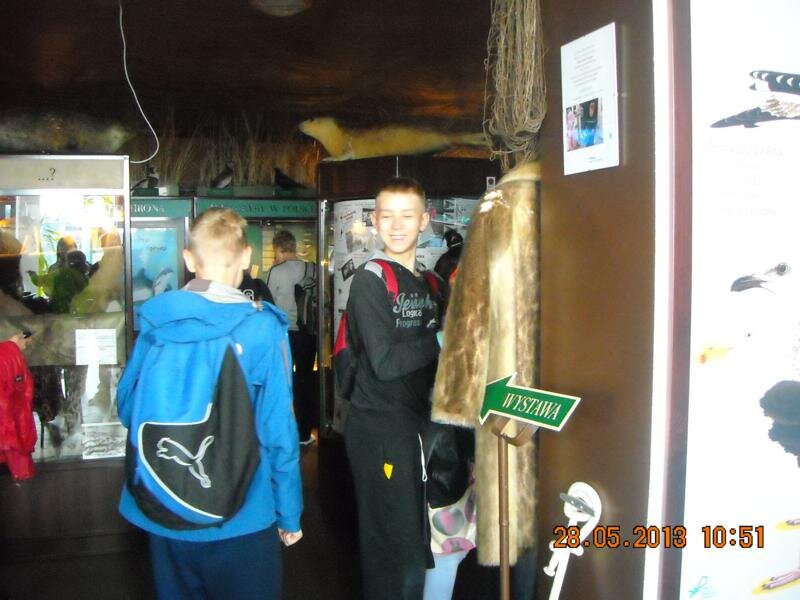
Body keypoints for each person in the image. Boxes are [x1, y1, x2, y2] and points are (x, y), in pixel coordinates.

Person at [117, 208, 303, 600]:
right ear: (247, 257)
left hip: (164, 509)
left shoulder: (155, 322)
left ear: (188, 259)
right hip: (244, 515)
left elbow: (127, 407)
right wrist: (288, 511)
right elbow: (278, 429)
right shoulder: (261, 327)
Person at [344, 177, 444, 600]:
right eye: (387, 216)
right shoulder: (369, 280)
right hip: (379, 431)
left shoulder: (431, 283)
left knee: (413, 544)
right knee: (391, 548)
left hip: (417, 428)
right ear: (375, 220)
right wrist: (442, 340)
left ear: (425, 220)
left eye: (408, 215)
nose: (397, 225)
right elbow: (384, 364)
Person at [265, 229, 317, 446]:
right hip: (309, 332)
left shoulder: (276, 271)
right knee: (306, 380)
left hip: (285, 333)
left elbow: (267, 304)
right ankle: (304, 433)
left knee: (284, 381)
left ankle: (283, 432)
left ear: (278, 249)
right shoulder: (312, 268)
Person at [0, 331, 36, 482]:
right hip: (9, 426)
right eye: (27, 342)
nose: (26, 346)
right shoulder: (11, 357)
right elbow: (20, 391)